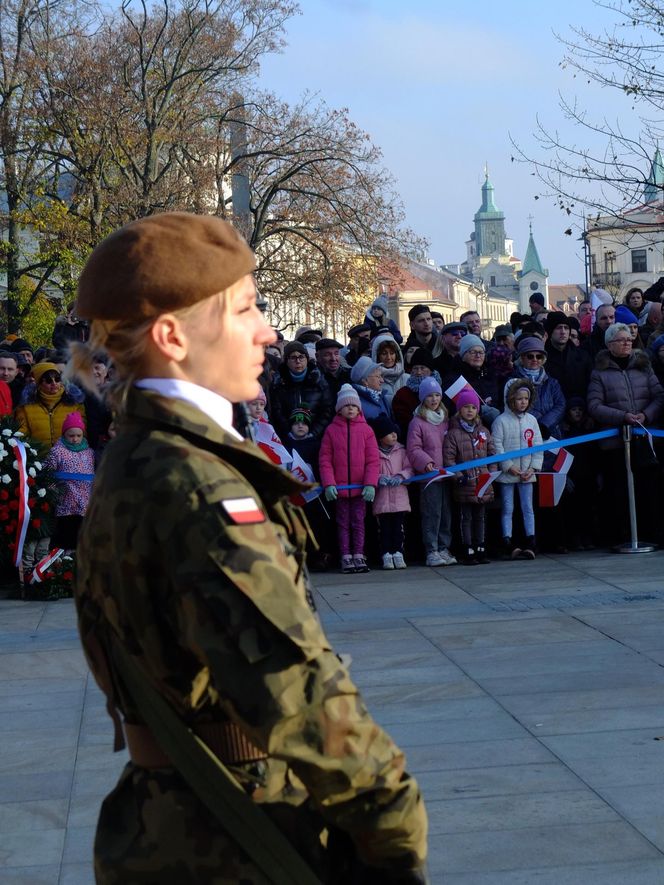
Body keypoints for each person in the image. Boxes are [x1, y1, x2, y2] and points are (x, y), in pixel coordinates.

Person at [71, 212, 428, 883]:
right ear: (173, 336)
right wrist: (394, 824)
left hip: (170, 821)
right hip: (230, 836)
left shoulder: (140, 454)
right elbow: (300, 693)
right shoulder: (197, 485)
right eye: (243, 309)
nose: (267, 329)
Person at [587, 322, 664, 546]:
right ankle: (618, 536)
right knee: (616, 491)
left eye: (629, 340)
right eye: (621, 340)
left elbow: (659, 396)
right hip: (615, 444)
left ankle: (649, 534)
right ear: (610, 344)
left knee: (648, 489)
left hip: (644, 440)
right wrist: (622, 416)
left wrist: (645, 415)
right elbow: (594, 405)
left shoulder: (643, 366)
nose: (627, 343)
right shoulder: (599, 373)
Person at [319, 384, 380, 574]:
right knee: (343, 523)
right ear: (339, 408)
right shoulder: (331, 430)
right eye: (346, 405)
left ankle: (359, 554)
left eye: (354, 405)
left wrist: (370, 483)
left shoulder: (366, 430)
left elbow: (373, 460)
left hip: (360, 489)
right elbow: (325, 459)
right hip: (340, 489)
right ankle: (346, 556)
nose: (351, 408)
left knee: (359, 522)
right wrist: (329, 483)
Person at [406, 377, 456, 567]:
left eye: (437, 395)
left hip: (447, 475)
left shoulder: (445, 419)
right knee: (431, 513)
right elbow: (414, 449)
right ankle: (431, 550)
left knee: (446, 513)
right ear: (422, 399)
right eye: (429, 396)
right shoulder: (417, 422)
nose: (434, 399)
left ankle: (444, 547)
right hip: (429, 477)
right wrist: (426, 463)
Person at [492, 378, 543, 560]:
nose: (523, 402)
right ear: (510, 399)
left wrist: (533, 468)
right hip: (509, 474)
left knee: (527, 507)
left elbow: (538, 446)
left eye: (525, 399)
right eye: (519, 398)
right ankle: (507, 541)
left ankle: (531, 540)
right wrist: (509, 466)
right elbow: (497, 446)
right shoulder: (501, 421)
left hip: (527, 473)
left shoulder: (532, 420)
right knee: (508, 507)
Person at [443, 388, 495, 565]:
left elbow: (492, 454)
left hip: (483, 482)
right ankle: (468, 548)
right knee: (466, 517)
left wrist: (491, 473)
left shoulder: (484, 432)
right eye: (466, 407)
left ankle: (481, 547)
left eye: (473, 407)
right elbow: (449, 459)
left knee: (480, 516)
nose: (470, 410)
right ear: (459, 410)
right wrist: (458, 476)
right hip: (464, 483)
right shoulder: (453, 434)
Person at [43, 412, 95, 551]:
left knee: (80, 536)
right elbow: (46, 472)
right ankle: (61, 564)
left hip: (84, 504)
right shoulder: (57, 452)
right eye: (71, 435)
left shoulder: (89, 453)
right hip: (65, 502)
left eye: (79, 435)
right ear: (64, 434)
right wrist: (52, 489)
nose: (75, 439)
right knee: (65, 536)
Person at [269, 340, 334, 441]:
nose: (298, 361)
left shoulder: (319, 381)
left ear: (307, 359)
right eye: (293, 357)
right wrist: (289, 431)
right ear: (286, 360)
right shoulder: (278, 383)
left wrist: (314, 433)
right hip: (288, 439)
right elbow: (277, 412)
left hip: (315, 439)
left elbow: (327, 410)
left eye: (301, 357)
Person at [371, 414, 413, 570]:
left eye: (395, 432)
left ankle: (398, 553)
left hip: (399, 498)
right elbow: (369, 471)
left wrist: (401, 476)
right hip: (382, 499)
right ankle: (386, 554)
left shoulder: (402, 451)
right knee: (384, 529)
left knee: (398, 528)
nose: (394, 434)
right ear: (381, 437)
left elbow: (409, 469)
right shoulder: (374, 453)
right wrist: (378, 478)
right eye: (389, 432)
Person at [15, 362, 86, 450]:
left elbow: (83, 432)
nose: (54, 383)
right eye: (48, 380)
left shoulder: (74, 402)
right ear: (39, 384)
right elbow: (22, 434)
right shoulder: (26, 407)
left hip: (68, 457)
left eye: (57, 379)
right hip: (39, 458)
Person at [511, 336, 565, 439]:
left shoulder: (552, 382)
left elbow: (560, 405)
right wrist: (538, 424)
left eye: (539, 356)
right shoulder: (512, 381)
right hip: (525, 435)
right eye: (530, 356)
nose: (535, 359)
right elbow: (514, 406)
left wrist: (545, 424)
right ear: (522, 358)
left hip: (551, 435)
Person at [543, 312, 592, 400]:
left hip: (578, 407)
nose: (563, 332)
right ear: (550, 331)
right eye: (558, 328)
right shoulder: (541, 357)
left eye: (566, 328)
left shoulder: (582, 356)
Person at [371, 332, 408, 410]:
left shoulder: (407, 378)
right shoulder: (373, 380)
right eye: (384, 354)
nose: (388, 357)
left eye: (392, 353)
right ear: (377, 356)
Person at [349, 355, 391, 422]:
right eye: (378, 376)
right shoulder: (355, 403)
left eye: (381, 376)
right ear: (365, 381)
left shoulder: (381, 397)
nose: (382, 380)